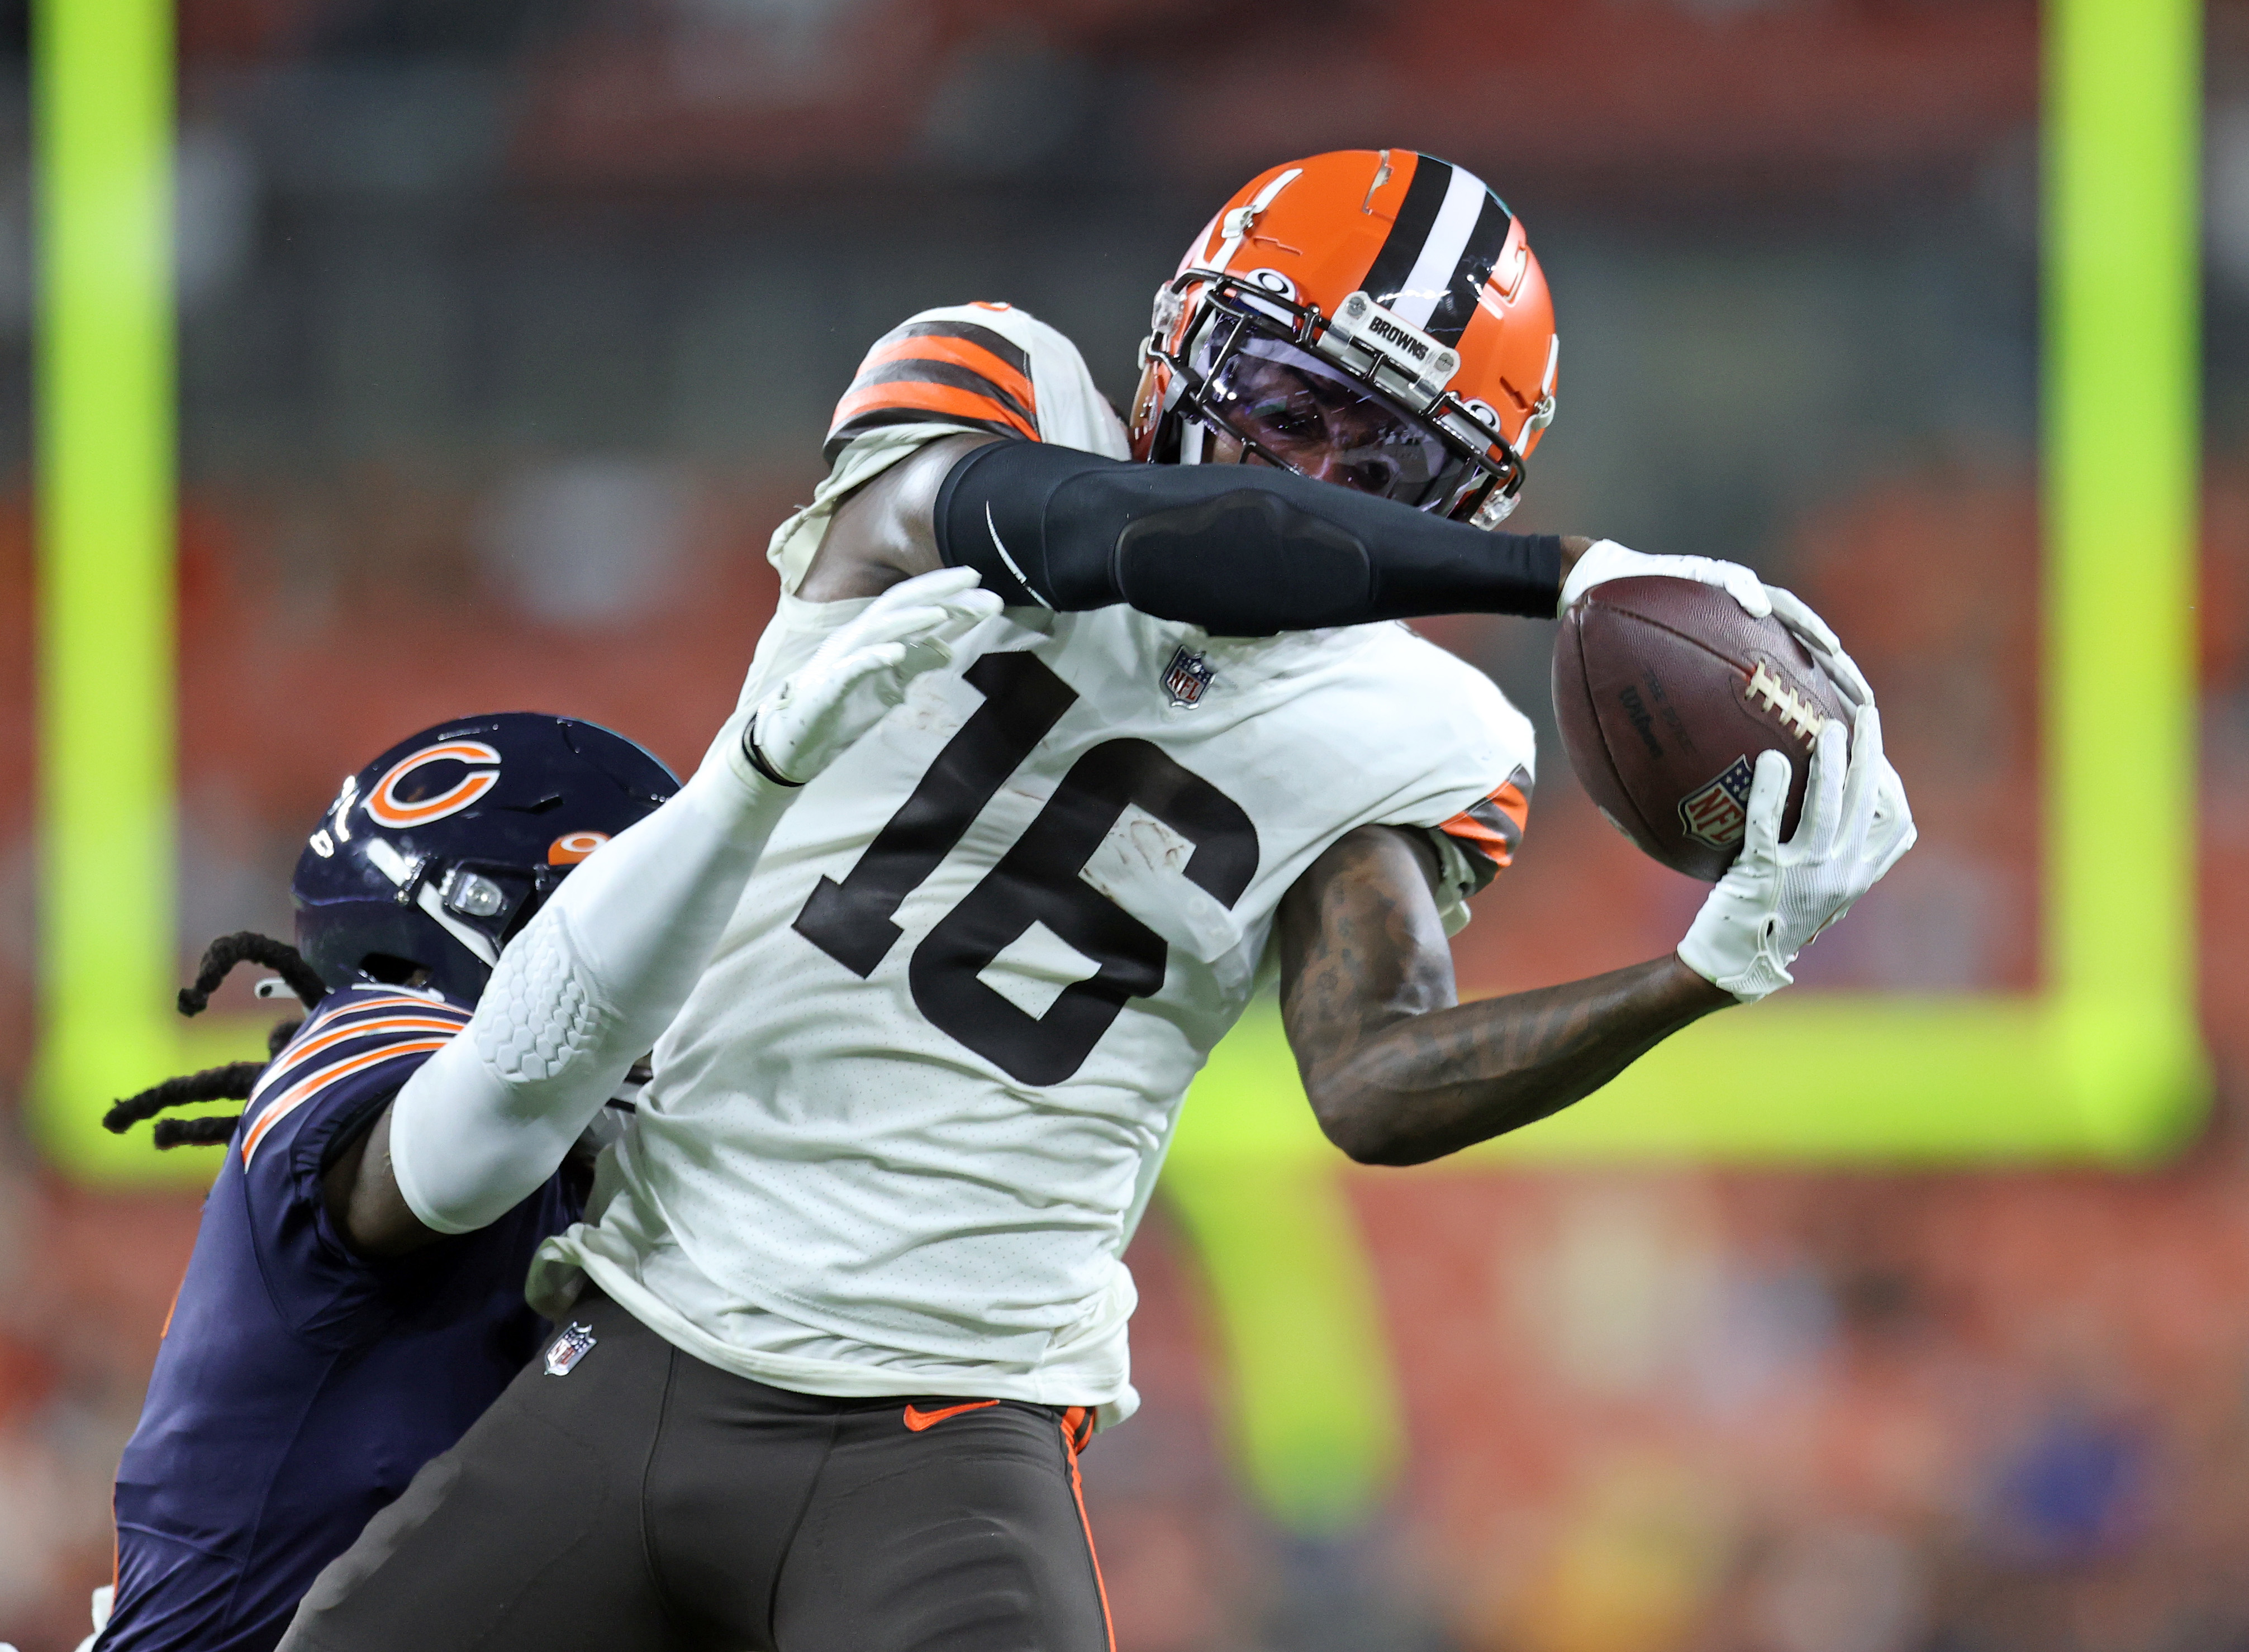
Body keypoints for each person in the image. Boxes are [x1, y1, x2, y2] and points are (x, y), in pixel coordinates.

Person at [280, 149, 1914, 1652]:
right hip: (644, 1316)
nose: (1314, 463)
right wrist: (1556, 574)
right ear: (1184, 339)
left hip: (954, 1419)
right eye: (1285, 395)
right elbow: (1154, 535)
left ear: (1460, 491)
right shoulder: (995, 393)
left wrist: (1704, 968)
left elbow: (1374, 1081)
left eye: (1387, 456)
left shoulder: (1421, 735)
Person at [89, 712, 682, 1652]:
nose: (678, 970)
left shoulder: (574, 1155)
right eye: (641, 927)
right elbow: (474, 1123)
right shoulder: (384, 1045)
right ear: (490, 921)